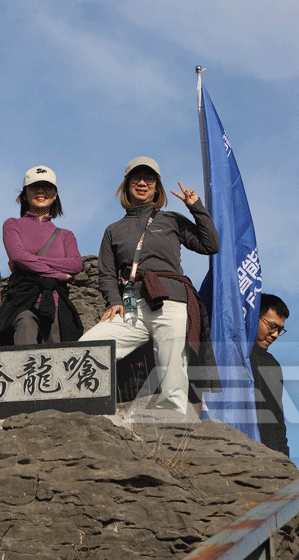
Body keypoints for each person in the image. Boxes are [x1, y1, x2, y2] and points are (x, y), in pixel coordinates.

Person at [80, 156, 220, 415]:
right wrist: (113, 301)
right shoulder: (113, 230)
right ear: (126, 185)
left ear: (157, 187)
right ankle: (88, 410)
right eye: (136, 178)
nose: (142, 183)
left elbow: (210, 245)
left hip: (170, 299)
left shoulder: (171, 220)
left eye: (149, 179)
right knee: (88, 346)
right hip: (132, 307)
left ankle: (174, 427)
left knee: (172, 370)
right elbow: (107, 274)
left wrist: (195, 206)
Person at [0, 165, 84, 346]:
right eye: (34, 187)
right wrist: (59, 274)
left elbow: (75, 265)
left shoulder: (66, 234)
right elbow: (18, 256)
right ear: (24, 194)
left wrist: (27, 260)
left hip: (56, 303)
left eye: (47, 187)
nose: (41, 191)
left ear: (55, 194)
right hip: (21, 301)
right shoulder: (12, 224)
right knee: (24, 328)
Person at [250, 293, 290, 456]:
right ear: (254, 317)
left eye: (279, 330)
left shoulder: (272, 365)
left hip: (268, 458)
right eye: (271, 326)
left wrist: (285, 460)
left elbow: (277, 420)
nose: (274, 335)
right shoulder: (232, 353)